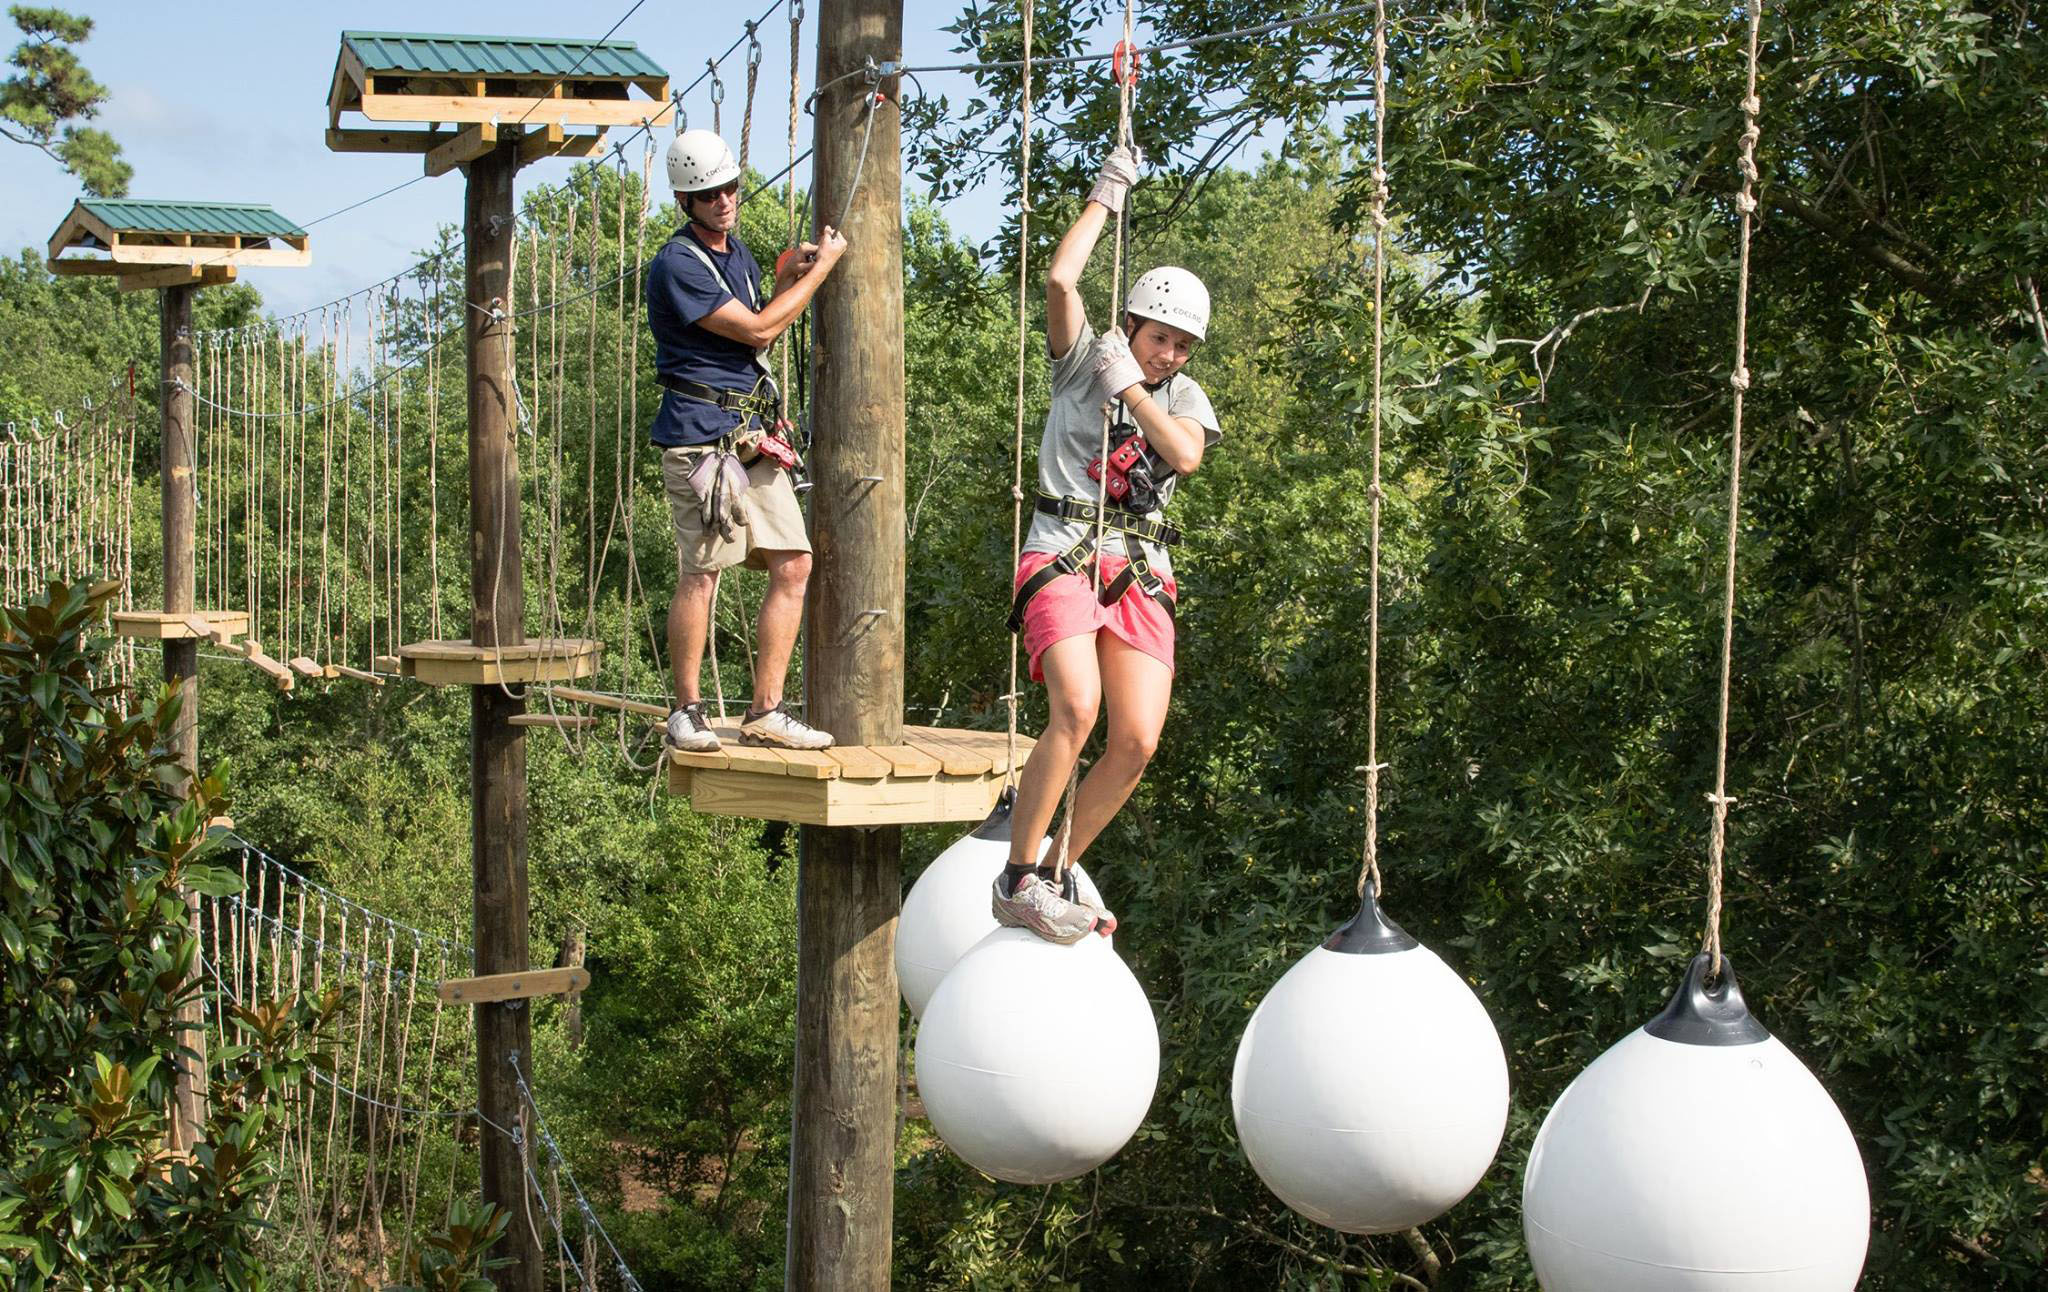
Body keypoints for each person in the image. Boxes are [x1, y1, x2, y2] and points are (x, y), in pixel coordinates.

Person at [994, 144, 1219, 942]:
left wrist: (1134, 385)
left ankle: (1059, 867)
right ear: (1132, 323)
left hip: (1138, 568)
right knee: (1078, 708)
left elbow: (1185, 454)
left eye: (1182, 346)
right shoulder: (1084, 360)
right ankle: (1019, 876)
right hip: (1062, 544)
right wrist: (1105, 196)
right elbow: (1060, 281)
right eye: (1160, 338)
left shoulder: (1179, 393)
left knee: (1136, 739)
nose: (1170, 355)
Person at [649, 128, 847, 751]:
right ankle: (686, 710)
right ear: (687, 202)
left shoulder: (735, 254)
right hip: (700, 439)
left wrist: (788, 272)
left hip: (750, 434)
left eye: (730, 187)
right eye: (709, 194)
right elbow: (760, 330)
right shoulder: (677, 263)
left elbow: (756, 306)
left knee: (795, 563)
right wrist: (820, 275)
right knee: (703, 572)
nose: (725, 200)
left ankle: (766, 711)